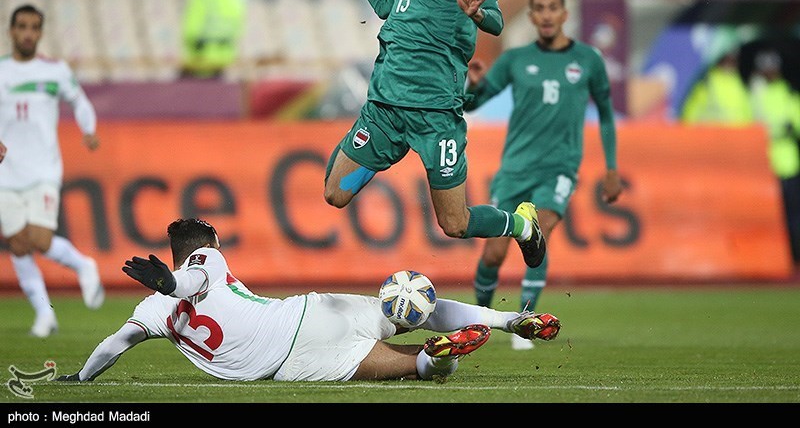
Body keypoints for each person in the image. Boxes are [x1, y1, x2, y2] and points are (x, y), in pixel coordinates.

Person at [323, 0, 546, 268]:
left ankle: (523, 225)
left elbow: (495, 21)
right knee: (335, 194)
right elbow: (383, 5)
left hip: (435, 115)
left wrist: (476, 13)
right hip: (384, 111)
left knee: (455, 224)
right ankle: (375, 150)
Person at [56, 218, 562, 383]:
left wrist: (80, 380)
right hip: (305, 313)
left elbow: (113, 345)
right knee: (405, 304)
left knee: (409, 367)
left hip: (286, 366)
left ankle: (436, 359)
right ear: (208, 243)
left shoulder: (148, 312)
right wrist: (172, 283)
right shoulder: (205, 260)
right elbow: (189, 282)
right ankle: (506, 318)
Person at [464, 0, 622, 350]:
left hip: (559, 168)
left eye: (553, 8)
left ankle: (525, 319)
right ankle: (481, 318)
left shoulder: (588, 60)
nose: (547, 14)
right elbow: (473, 103)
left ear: (564, 15)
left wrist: (612, 169)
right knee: (494, 253)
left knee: (540, 232)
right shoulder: (515, 60)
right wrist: (472, 85)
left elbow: (606, 114)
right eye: (540, 9)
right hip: (515, 169)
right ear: (532, 17)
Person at [0, 3, 105, 338]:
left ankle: (83, 265)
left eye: (34, 27)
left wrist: (88, 129)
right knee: (18, 244)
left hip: (43, 168)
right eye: (22, 26)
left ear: (40, 33)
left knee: (40, 240)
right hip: (5, 172)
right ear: (11, 31)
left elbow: (80, 101)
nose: (28, 33)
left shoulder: (55, 70)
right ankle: (44, 314)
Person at [749, 50, 800, 270]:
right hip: (761, 166)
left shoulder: (788, 93)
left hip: (787, 163)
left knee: (792, 215)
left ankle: (794, 258)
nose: (769, 73)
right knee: (763, 217)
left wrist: (785, 129)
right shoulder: (755, 93)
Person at [180, 0, 246, 79]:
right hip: (225, 54)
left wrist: (190, 45)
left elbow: (192, 24)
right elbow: (238, 23)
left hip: (202, 52)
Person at [680, 49, 753, 125]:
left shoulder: (739, 84)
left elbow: (747, 115)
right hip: (710, 131)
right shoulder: (707, 81)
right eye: (726, 59)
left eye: (733, 60)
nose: (729, 63)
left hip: (735, 132)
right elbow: (690, 114)